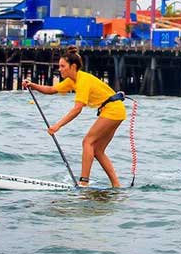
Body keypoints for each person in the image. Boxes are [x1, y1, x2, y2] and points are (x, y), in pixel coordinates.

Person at [22, 47, 127, 187]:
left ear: (73, 66)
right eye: (59, 66)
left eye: (62, 66)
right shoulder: (72, 80)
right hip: (116, 110)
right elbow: (52, 90)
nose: (59, 69)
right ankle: (116, 185)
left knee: (87, 142)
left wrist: (57, 125)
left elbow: (77, 109)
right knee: (98, 150)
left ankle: (84, 182)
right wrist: (32, 85)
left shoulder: (82, 80)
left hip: (112, 110)